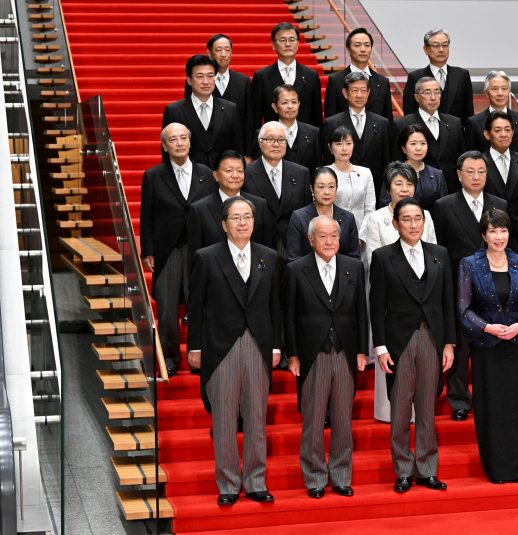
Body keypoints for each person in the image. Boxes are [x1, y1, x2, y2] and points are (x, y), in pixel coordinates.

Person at [186, 196, 281, 505]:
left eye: (248, 217)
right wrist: (196, 347)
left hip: (258, 344)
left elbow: (274, 307)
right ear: (224, 225)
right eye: (236, 218)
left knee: (256, 417)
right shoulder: (206, 257)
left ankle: (255, 482)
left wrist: (277, 344)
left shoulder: (268, 257)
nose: (243, 222)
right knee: (224, 419)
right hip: (220, 346)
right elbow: (196, 307)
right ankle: (228, 484)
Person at [369, 198, 456, 494]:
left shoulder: (439, 254)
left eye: (417, 218)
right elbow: (376, 304)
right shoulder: (383, 257)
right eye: (406, 219)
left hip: (432, 338)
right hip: (399, 340)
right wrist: (379, 347)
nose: (413, 224)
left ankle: (427, 469)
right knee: (401, 407)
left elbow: (447, 302)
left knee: (428, 407)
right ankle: (403, 470)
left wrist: (449, 343)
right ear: (396, 224)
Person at [285, 215, 368, 499]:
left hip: (345, 352)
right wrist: (292, 355)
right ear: (311, 240)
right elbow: (290, 317)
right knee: (314, 419)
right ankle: (315, 477)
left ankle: (342, 476)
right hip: (312, 354)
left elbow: (361, 312)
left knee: (344, 420)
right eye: (323, 236)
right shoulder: (296, 270)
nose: (330, 241)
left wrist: (361, 351)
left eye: (334, 235)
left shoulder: (353, 267)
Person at [457, 208, 518, 483]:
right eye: (493, 231)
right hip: (486, 347)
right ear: (484, 234)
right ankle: (497, 468)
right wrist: (487, 327)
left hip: (515, 345)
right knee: (492, 408)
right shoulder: (470, 263)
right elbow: (464, 309)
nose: (499, 236)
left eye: (503, 230)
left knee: (517, 407)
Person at [431, 151, 507, 421]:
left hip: (494, 284)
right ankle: (459, 399)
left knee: (491, 343)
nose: (476, 177)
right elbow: (439, 250)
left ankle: (492, 397)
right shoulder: (443, 206)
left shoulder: (499, 204)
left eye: (481, 172)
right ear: (459, 175)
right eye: (470, 172)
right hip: (457, 285)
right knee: (460, 345)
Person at [359, 162, 437, 423]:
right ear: (389, 188)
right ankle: (386, 412)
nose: (404, 189)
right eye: (398, 184)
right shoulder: (375, 218)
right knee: (390, 357)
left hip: (422, 294)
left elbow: (433, 254)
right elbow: (372, 258)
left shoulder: (425, 214)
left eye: (409, 184)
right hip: (389, 296)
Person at [140, 123, 216, 377]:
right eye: (174, 139)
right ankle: (169, 358)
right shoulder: (153, 175)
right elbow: (147, 216)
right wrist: (148, 251)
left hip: (200, 247)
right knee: (168, 309)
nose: (180, 143)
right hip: (168, 248)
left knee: (201, 305)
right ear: (165, 145)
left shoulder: (206, 173)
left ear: (190, 142)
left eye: (184, 138)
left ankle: (199, 357)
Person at [187, 150, 273, 267]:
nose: (235, 175)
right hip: (214, 278)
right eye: (229, 171)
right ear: (216, 176)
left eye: (240, 171)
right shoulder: (199, 210)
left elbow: (267, 249)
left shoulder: (259, 205)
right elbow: (194, 256)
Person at [242, 121, 312, 258]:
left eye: (281, 140)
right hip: (259, 245)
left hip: (293, 246)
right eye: (270, 139)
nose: (276, 144)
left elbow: (306, 212)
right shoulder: (246, 174)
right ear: (260, 142)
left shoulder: (301, 173)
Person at [162, 54, 244, 169]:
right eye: (200, 76)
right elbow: (167, 152)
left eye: (210, 76)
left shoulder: (230, 109)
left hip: (222, 178)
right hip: (189, 179)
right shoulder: (174, 110)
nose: (206, 81)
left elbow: (237, 149)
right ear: (189, 80)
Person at [185, 34, 254, 160]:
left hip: (232, 148)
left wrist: (247, 153)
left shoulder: (243, 81)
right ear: (209, 52)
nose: (223, 54)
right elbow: (189, 113)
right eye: (218, 50)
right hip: (202, 150)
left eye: (227, 50)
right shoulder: (198, 80)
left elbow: (249, 119)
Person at [323, 72, 392, 197]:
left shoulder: (382, 123)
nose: (359, 95)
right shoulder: (332, 123)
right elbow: (327, 159)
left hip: (374, 186)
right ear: (345, 93)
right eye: (354, 90)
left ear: (368, 93)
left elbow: (386, 159)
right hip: (340, 188)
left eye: (363, 90)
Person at [395, 77, 465, 193]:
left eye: (437, 92)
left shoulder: (454, 123)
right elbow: (397, 161)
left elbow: (462, 159)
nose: (433, 97)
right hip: (416, 189)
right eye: (427, 92)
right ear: (417, 97)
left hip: (451, 190)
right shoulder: (402, 124)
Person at [252, 22, 322, 128]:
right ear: (273, 45)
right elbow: (255, 117)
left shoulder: (311, 76)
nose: (288, 44)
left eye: (292, 40)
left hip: (305, 140)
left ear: (298, 44)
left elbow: (316, 116)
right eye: (282, 40)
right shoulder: (261, 76)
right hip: (272, 140)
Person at [482, 111, 518, 247]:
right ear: (487, 134)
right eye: (498, 130)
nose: (503, 134)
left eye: (507, 130)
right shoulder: (479, 162)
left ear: (513, 132)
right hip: (490, 234)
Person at [286, 167, 360, 262]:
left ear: (337, 188)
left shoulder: (348, 218)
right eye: (321, 187)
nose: (326, 192)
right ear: (312, 189)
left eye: (331, 187)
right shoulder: (299, 218)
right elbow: (293, 259)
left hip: (340, 274)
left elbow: (355, 258)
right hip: (308, 274)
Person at [402, 28, 473, 124]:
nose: (441, 50)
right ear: (426, 49)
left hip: (455, 135)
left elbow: (468, 114)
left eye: (445, 45)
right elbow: (409, 114)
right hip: (425, 135)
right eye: (436, 46)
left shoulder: (462, 75)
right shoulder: (415, 77)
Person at [323, 27, 393, 120]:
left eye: (367, 45)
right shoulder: (336, 81)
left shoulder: (383, 82)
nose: (363, 49)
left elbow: (388, 121)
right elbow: (330, 119)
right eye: (357, 45)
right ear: (348, 49)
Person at [379, 124, 448, 210]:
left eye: (423, 143)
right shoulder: (393, 173)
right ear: (404, 148)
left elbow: (444, 207)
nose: (418, 148)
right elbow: (385, 204)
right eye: (413, 144)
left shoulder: (437, 174)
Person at [256, 84, 321, 170]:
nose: (290, 106)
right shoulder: (263, 134)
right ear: (275, 107)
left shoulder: (313, 133)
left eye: (294, 102)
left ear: (299, 104)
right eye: (285, 102)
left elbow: (317, 167)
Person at [465, 71, 518, 155]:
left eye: (504, 89)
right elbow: (470, 157)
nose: (500, 93)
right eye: (495, 89)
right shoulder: (474, 122)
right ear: (486, 93)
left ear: (509, 92)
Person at [325, 125, 376, 229]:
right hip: (332, 232)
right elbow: (320, 208)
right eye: (339, 144)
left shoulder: (365, 173)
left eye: (348, 143)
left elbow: (370, 209)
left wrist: (362, 236)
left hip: (361, 231)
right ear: (330, 147)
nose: (344, 148)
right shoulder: (323, 173)